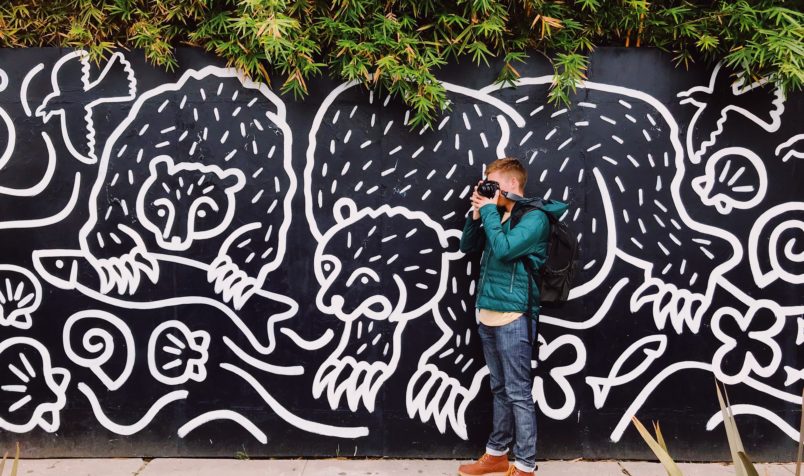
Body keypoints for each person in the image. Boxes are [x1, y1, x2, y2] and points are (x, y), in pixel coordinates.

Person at [457, 158, 568, 476]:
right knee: (499, 387)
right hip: (488, 312)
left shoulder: (535, 219)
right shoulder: (498, 213)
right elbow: (468, 246)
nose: (486, 189)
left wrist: (490, 211)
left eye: (490, 183)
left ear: (509, 184)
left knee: (518, 391)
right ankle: (496, 453)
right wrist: (477, 215)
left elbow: (505, 250)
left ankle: (526, 464)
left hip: (515, 315)